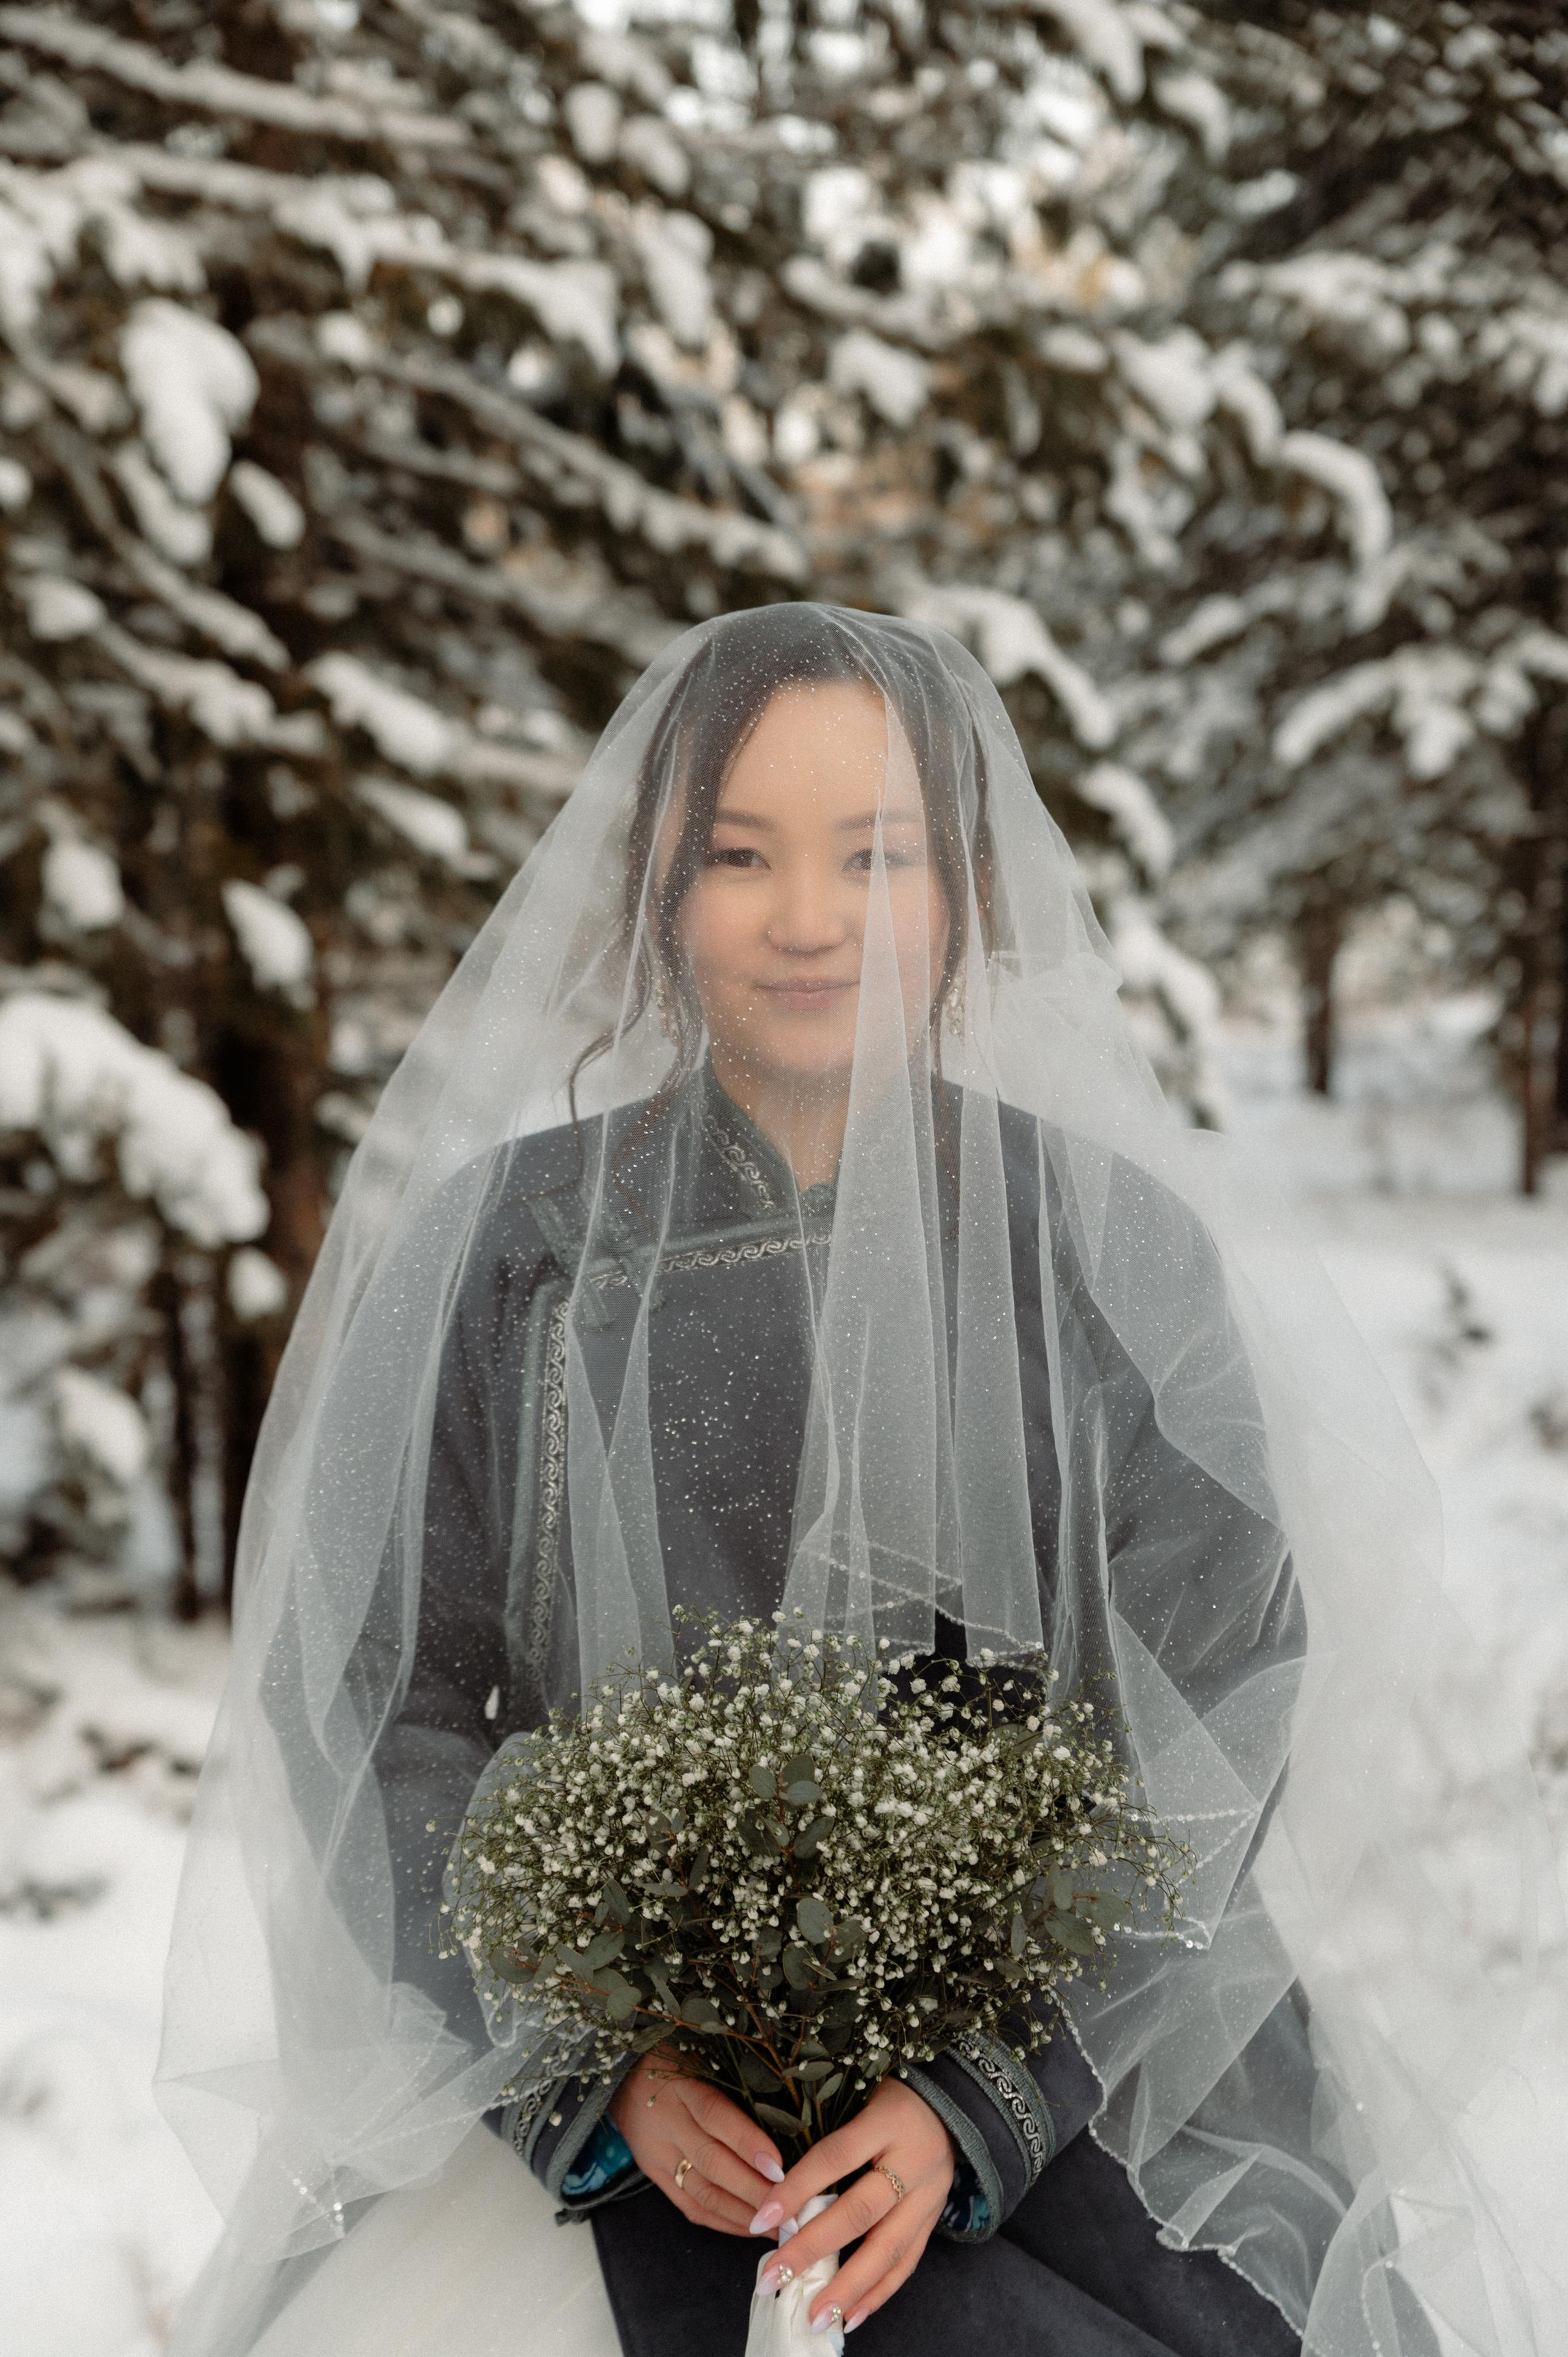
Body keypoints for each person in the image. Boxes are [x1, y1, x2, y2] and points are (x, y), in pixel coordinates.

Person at [158, 607, 1551, 2357]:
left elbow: (1216, 1701)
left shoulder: (1105, 1250)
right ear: (657, 890)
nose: (809, 919)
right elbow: (377, 1699)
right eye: (740, 856)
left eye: (874, 856)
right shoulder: (509, 1259)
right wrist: (595, 2061)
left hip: (1075, 2079)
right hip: (629, 2117)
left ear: (964, 888)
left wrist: (988, 2089)